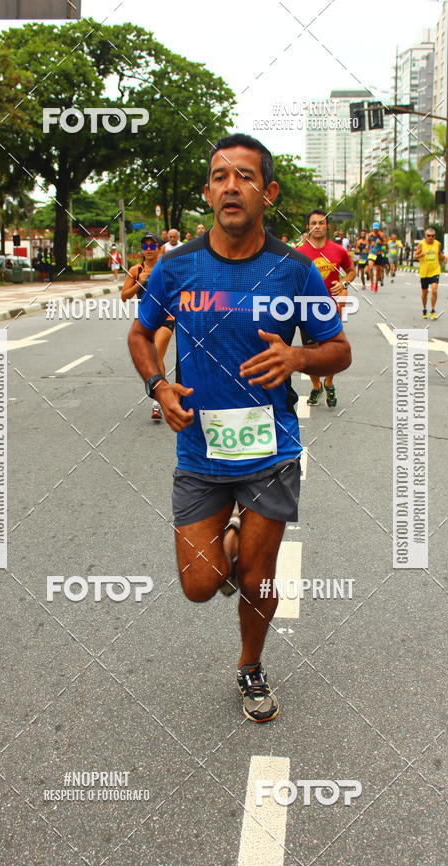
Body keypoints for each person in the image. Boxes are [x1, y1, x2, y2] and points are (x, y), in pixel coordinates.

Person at [128, 133, 351, 722]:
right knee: (199, 585)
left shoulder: (296, 270)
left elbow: (339, 350)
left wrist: (299, 359)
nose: (232, 186)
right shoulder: (176, 268)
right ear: (207, 192)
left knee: (258, 578)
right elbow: (138, 333)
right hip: (200, 449)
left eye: (245, 177)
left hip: (270, 447)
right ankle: (227, 540)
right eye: (220, 177)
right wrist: (157, 384)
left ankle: (250, 664)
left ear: (267, 192)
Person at [297, 209, 355, 409]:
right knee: (310, 352)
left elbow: (351, 271)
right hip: (306, 310)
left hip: (331, 308)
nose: (317, 226)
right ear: (308, 226)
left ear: (327, 226)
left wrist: (344, 284)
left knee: (330, 350)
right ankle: (316, 386)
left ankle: (329, 383)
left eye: (321, 223)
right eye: (313, 222)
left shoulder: (338, 251)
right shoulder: (299, 253)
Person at [121, 233, 173, 419]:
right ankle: (162, 394)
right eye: (145, 246)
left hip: (167, 317)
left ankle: (158, 403)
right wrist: (139, 283)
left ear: (160, 248)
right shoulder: (136, 270)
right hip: (145, 320)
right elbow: (124, 295)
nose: (149, 249)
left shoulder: (167, 268)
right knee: (153, 358)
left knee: (156, 354)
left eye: (153, 246)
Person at [415, 228, 447, 320]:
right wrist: (420, 255)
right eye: (428, 236)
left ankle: (432, 310)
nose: (430, 237)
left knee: (434, 290)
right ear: (425, 236)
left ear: (434, 236)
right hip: (424, 272)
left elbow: (439, 254)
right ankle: (424, 308)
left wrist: (444, 257)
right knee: (424, 293)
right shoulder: (421, 244)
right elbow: (415, 256)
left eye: (432, 236)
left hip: (435, 270)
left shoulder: (437, 244)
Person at [366, 221, 386, 291]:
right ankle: (371, 282)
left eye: (377, 229)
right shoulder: (370, 235)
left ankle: (376, 283)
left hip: (379, 254)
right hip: (372, 253)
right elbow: (367, 243)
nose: (376, 230)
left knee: (378, 270)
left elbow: (385, 244)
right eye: (374, 229)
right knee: (370, 267)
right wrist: (368, 248)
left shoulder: (382, 235)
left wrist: (381, 243)